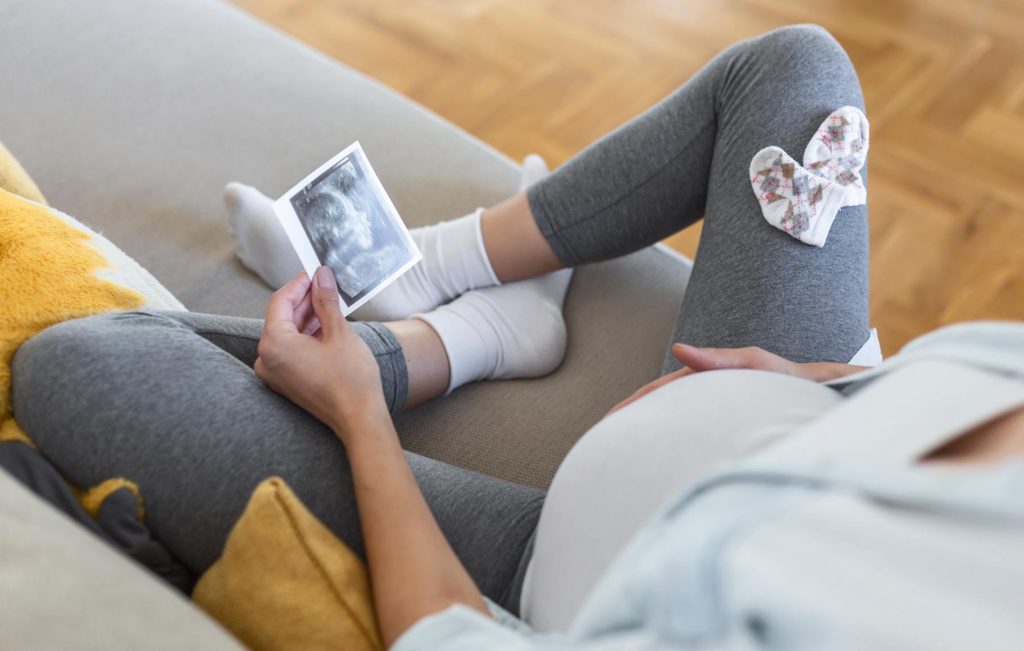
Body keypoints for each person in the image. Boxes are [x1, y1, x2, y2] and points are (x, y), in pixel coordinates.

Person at [11, 24, 1024, 650]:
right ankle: (443, 270)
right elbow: (929, 407)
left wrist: (362, 417)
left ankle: (465, 339)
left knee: (83, 370)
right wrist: (807, 381)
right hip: (779, 404)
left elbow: (447, 637)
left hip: (556, 566)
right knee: (796, 74)